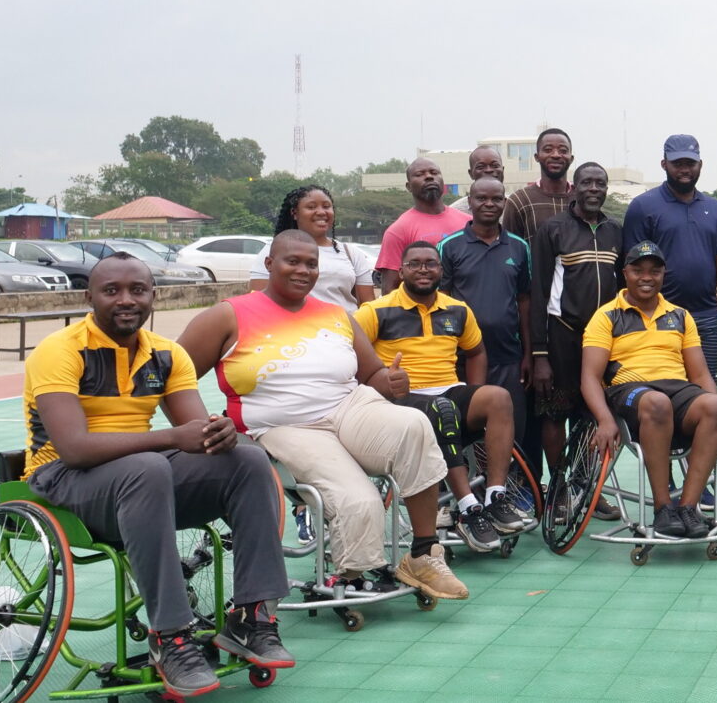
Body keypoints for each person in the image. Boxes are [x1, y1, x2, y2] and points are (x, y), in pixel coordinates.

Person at [23, 253, 292, 697]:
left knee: (247, 460)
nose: (126, 300)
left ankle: (251, 617)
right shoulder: (61, 350)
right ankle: (170, 637)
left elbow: (196, 435)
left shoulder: (167, 354)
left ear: (153, 296)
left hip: (140, 480)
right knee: (147, 467)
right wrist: (169, 439)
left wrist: (221, 434)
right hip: (64, 479)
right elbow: (74, 449)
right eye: (111, 291)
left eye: (138, 290)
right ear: (89, 297)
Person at [177, 230, 469, 602]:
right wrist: (201, 425)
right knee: (358, 498)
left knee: (413, 425)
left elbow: (372, 375)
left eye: (311, 264)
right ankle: (351, 574)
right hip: (282, 425)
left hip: (348, 408)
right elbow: (174, 374)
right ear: (269, 264)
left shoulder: (336, 315)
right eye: (293, 261)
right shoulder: (228, 315)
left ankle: (423, 554)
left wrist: (390, 381)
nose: (304, 270)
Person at [355, 240, 533, 553]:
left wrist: (473, 393)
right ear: (401, 272)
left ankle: (495, 497)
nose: (423, 269)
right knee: (444, 409)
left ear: (441, 270)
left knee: (498, 397)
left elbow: (476, 352)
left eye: (431, 263)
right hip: (400, 400)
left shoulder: (458, 309)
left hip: (447, 390)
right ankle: (467, 509)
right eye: (414, 264)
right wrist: (380, 382)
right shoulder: (374, 311)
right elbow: (350, 357)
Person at [578, 240, 717, 538]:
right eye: (638, 270)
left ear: (664, 275)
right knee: (657, 402)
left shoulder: (680, 316)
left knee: (716, 406)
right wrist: (604, 419)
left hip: (676, 389)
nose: (646, 277)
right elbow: (589, 377)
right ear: (625, 273)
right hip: (629, 390)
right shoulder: (606, 316)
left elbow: (699, 373)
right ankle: (663, 508)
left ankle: (688, 508)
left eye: (654, 271)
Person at [620, 134, 717, 382]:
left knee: (707, 391)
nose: (684, 170)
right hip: (656, 318)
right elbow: (632, 269)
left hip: (706, 318)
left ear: (700, 164)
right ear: (664, 164)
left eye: (690, 163)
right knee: (662, 392)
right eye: (677, 163)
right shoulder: (643, 206)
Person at [530, 161, 626, 521]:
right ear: (575, 187)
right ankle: (558, 493)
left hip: (603, 340)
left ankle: (586, 490)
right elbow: (538, 293)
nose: (593, 189)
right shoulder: (553, 229)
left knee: (592, 416)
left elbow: (624, 288)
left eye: (600, 183)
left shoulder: (616, 230)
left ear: (606, 189)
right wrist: (540, 354)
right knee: (556, 415)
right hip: (562, 336)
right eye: (587, 182)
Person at [437, 176, 534, 480]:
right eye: (482, 198)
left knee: (511, 430)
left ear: (504, 203)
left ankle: (507, 491)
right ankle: (472, 491)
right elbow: (439, 302)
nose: (489, 204)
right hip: (462, 359)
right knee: (465, 430)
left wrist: (528, 354)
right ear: (470, 201)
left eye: (496, 199)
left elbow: (524, 302)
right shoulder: (450, 247)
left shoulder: (518, 247)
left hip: (508, 356)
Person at [250, 185, 376, 309]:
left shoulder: (351, 253)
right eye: (311, 207)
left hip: (346, 322)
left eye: (326, 206)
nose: (321, 212)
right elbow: (259, 304)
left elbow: (368, 304)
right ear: (294, 213)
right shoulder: (274, 250)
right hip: (295, 322)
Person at [379, 158, 470, 291]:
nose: (429, 177)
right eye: (419, 174)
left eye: (434, 172)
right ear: (409, 186)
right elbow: (390, 289)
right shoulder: (398, 230)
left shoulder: (468, 222)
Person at [502, 128, 575, 242]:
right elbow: (509, 247)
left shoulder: (581, 198)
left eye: (563, 150)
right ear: (537, 157)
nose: (556, 155)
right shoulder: (520, 201)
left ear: (571, 158)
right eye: (548, 150)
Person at [450, 145, 507, 212]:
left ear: (503, 170)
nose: (488, 170)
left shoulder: (515, 206)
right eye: (481, 167)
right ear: (471, 174)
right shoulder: (456, 211)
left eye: (495, 166)